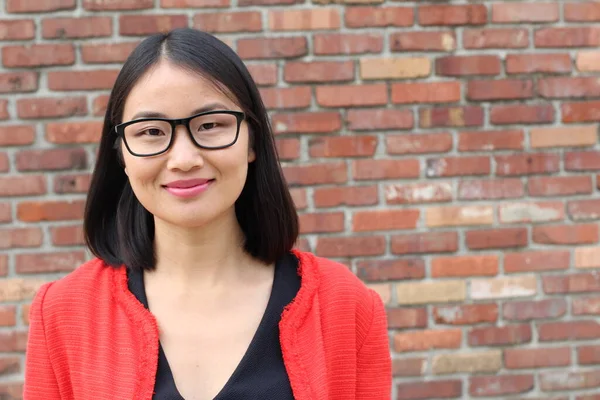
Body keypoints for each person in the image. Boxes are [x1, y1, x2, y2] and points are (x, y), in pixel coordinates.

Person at [23, 28, 391, 400]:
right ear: (122, 154)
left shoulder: (347, 306)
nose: (184, 159)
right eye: (151, 131)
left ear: (252, 141)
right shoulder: (62, 313)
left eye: (211, 125)